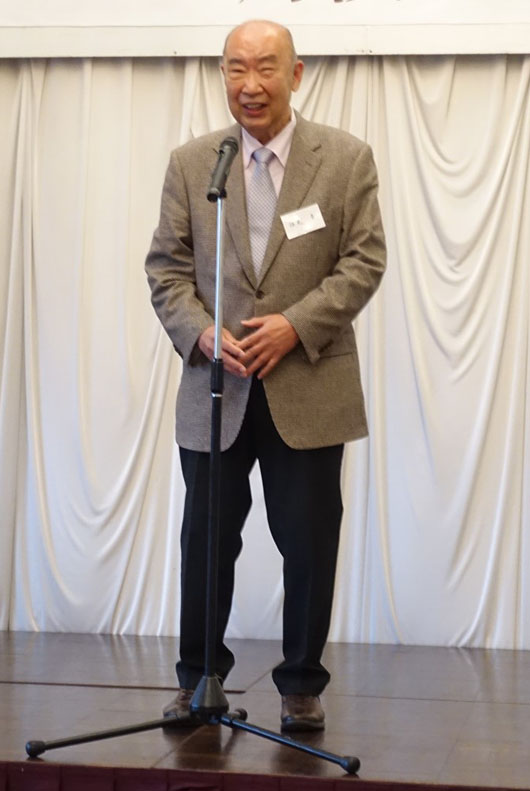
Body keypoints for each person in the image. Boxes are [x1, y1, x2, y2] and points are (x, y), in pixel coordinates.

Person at [145, 19, 386, 732]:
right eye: (235, 69)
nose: (249, 85)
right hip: (216, 388)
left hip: (307, 383)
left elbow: (363, 261)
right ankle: (200, 678)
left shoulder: (344, 159)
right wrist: (201, 332)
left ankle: (301, 685)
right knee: (206, 543)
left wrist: (295, 325)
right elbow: (166, 270)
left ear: (296, 74)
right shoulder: (195, 163)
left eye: (265, 68)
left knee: (308, 542)